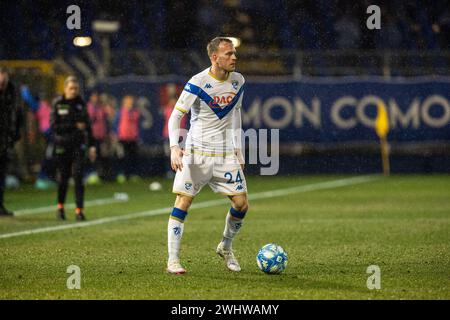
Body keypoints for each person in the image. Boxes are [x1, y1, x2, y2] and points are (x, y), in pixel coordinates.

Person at [166, 37, 248, 274]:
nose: (234, 58)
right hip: (197, 154)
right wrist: (174, 147)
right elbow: (175, 116)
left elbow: (235, 115)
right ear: (214, 57)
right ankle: (173, 260)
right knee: (183, 201)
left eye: (234, 53)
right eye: (228, 54)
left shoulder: (238, 81)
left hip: (224, 156)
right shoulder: (198, 82)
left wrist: (238, 149)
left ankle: (225, 246)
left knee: (241, 204)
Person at [51, 76, 96, 221]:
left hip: (78, 146)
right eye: (71, 88)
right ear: (65, 89)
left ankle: (79, 211)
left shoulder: (81, 104)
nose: (74, 91)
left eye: (76, 88)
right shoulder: (58, 104)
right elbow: (54, 126)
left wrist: (92, 146)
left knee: (78, 178)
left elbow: (88, 127)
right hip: (62, 146)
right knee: (63, 179)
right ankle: (60, 208)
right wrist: (74, 125)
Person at [0, 67, 22, 217]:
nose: (2, 80)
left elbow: (17, 114)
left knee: (1, 175)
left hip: (5, 140)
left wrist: (15, 134)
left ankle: (0, 205)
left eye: (3, 76)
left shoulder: (12, 92)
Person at [113, 95, 141, 183]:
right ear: (124, 102)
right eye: (128, 101)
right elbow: (115, 124)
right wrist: (116, 134)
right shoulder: (120, 112)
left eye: (131, 101)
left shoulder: (135, 112)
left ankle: (132, 174)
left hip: (133, 138)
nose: (130, 103)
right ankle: (123, 174)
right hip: (123, 138)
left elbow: (138, 125)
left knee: (133, 157)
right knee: (123, 157)